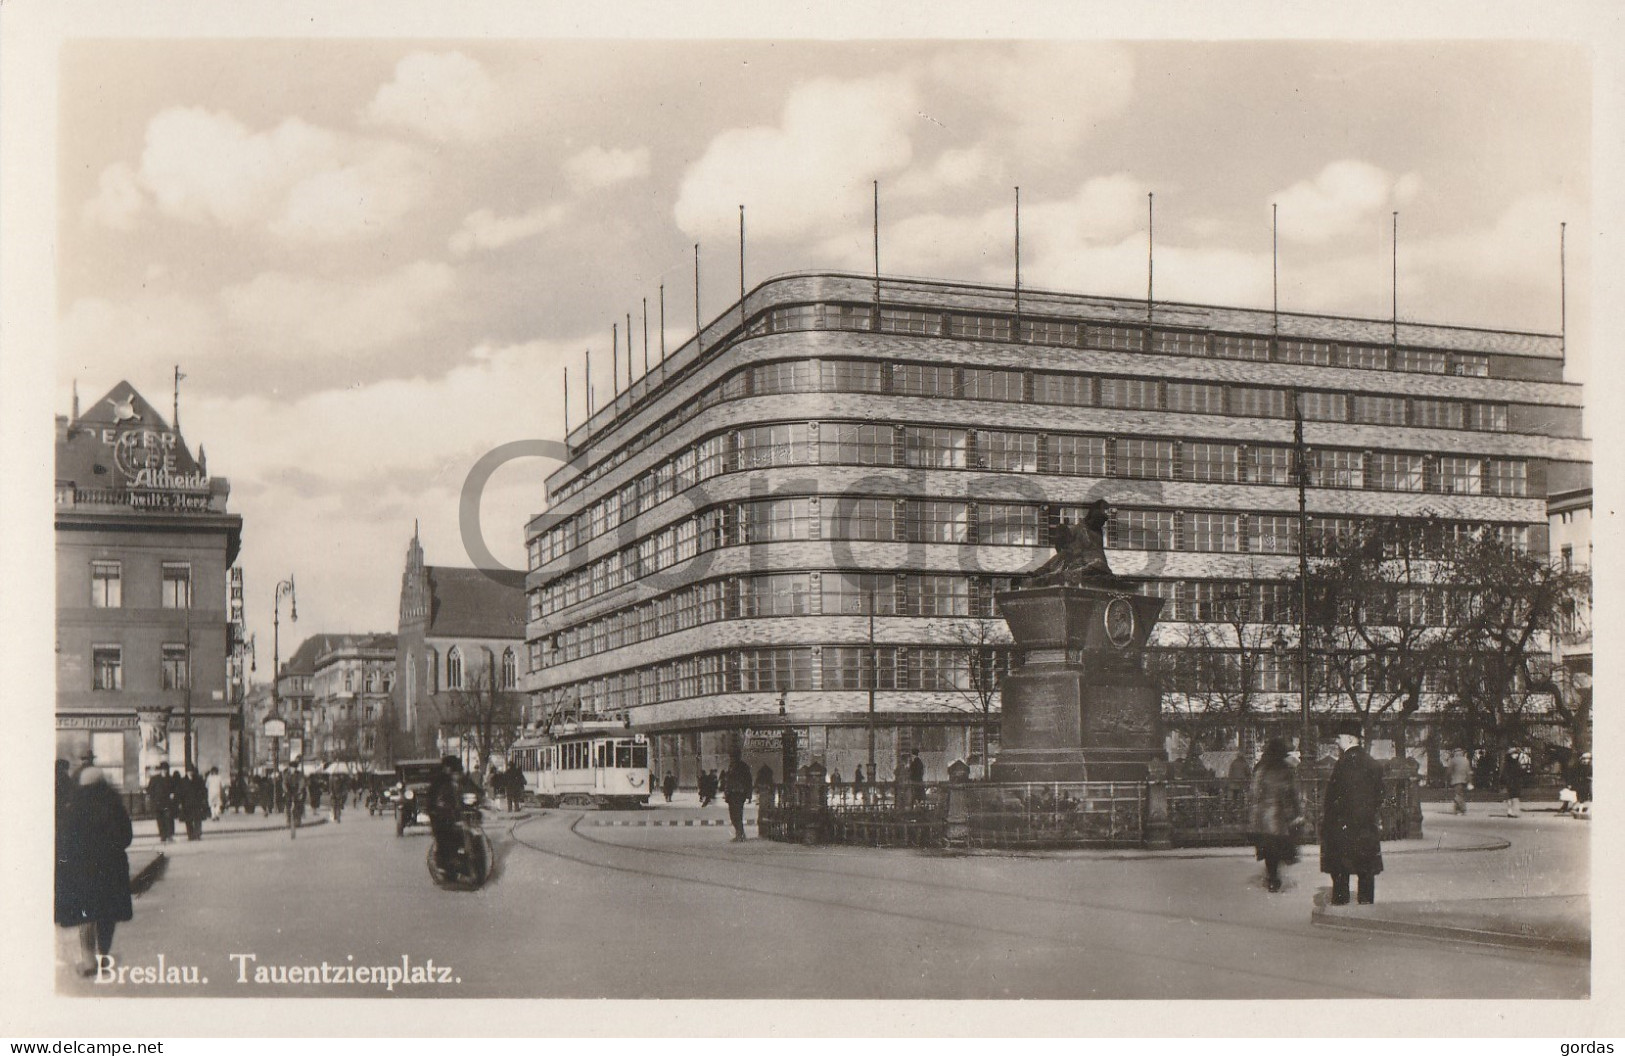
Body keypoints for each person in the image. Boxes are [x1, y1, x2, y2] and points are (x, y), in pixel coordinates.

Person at [56, 762, 133, 976]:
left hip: (83, 869)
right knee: (107, 914)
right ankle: (103, 955)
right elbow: (126, 836)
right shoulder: (115, 805)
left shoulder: (74, 808)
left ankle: (88, 960)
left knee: (86, 915)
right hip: (111, 868)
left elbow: (65, 840)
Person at [1320, 740, 1386, 905]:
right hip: (1366, 825)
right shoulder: (1373, 764)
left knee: (1341, 869)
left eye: (1341, 737)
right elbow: (1381, 794)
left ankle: (1341, 906)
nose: (1337, 740)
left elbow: (1332, 798)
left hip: (1343, 825)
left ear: (1349, 739)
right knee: (1366, 870)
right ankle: (1365, 906)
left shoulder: (1341, 764)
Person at [1249, 739, 1303, 893]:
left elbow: (1254, 793)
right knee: (1279, 846)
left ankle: (1272, 877)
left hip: (1262, 816)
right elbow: (1291, 793)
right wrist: (1296, 813)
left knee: (1268, 850)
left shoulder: (1260, 769)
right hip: (1279, 816)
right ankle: (1275, 877)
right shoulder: (1285, 769)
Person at [427, 755, 473, 876]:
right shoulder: (439, 781)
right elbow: (432, 799)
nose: (456, 774)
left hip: (459, 814)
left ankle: (471, 859)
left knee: (469, 832)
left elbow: (472, 787)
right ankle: (443, 864)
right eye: (453, 770)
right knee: (444, 838)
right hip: (443, 816)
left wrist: (480, 796)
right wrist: (435, 810)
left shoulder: (461, 780)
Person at [722, 749, 754, 842]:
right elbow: (728, 781)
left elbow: (748, 781)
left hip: (739, 793)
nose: (732, 758)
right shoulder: (731, 766)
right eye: (731, 756)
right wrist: (726, 792)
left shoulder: (743, 767)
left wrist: (749, 795)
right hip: (731, 794)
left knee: (737, 815)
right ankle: (739, 833)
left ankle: (740, 835)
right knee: (733, 815)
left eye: (733, 756)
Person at [148, 764, 175, 843]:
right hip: (158, 803)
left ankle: (169, 835)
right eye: (163, 769)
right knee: (160, 820)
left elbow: (174, 789)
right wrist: (154, 798)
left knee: (169, 819)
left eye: (165, 769)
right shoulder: (155, 779)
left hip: (167, 803)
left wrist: (173, 793)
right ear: (160, 770)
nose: (164, 771)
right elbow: (150, 789)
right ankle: (163, 835)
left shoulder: (170, 779)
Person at [181, 765, 208, 841]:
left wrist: (203, 799)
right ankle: (190, 835)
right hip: (187, 803)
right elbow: (180, 792)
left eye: (191, 771)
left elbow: (203, 790)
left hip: (197, 802)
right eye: (189, 771)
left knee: (197, 819)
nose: (190, 773)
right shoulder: (183, 781)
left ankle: (197, 834)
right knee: (188, 820)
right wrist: (181, 802)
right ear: (186, 772)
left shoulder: (198, 780)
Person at [1499, 748, 1525, 818]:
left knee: (1513, 797)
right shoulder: (1508, 763)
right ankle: (1512, 812)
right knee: (1512, 797)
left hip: (1516, 783)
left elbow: (1520, 773)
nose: (1516, 755)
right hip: (1510, 783)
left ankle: (1511, 811)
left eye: (1516, 754)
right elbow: (1504, 773)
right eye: (1514, 754)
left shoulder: (1517, 763)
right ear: (1510, 755)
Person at [1445, 748, 1472, 815]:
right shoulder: (1466, 761)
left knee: (1458, 795)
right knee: (1460, 794)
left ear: (1455, 753)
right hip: (1464, 780)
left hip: (1456, 780)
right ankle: (1457, 809)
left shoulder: (1453, 760)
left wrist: (1447, 778)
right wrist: (1470, 781)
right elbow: (1468, 772)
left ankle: (1462, 809)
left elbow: (1449, 771)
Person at [282, 765, 306, 839]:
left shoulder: (299, 774)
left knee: (299, 803)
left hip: (297, 791)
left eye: (294, 767)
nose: (292, 769)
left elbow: (302, 782)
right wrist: (286, 790)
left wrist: (300, 790)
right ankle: (288, 819)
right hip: (289, 792)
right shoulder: (286, 774)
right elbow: (284, 783)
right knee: (287, 804)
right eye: (291, 767)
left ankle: (298, 817)